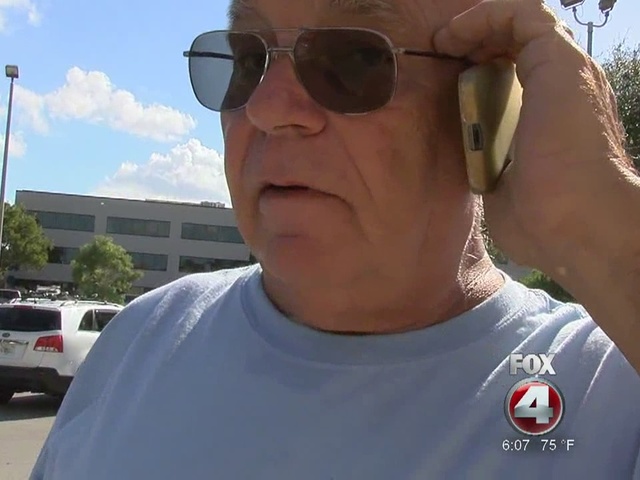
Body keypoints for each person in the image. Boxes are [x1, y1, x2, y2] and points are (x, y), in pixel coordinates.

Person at [31, 0, 640, 478]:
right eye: (247, 58)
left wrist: (605, 232)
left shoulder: (605, 392)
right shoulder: (136, 345)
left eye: (354, 59)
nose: (268, 108)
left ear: (488, 105)